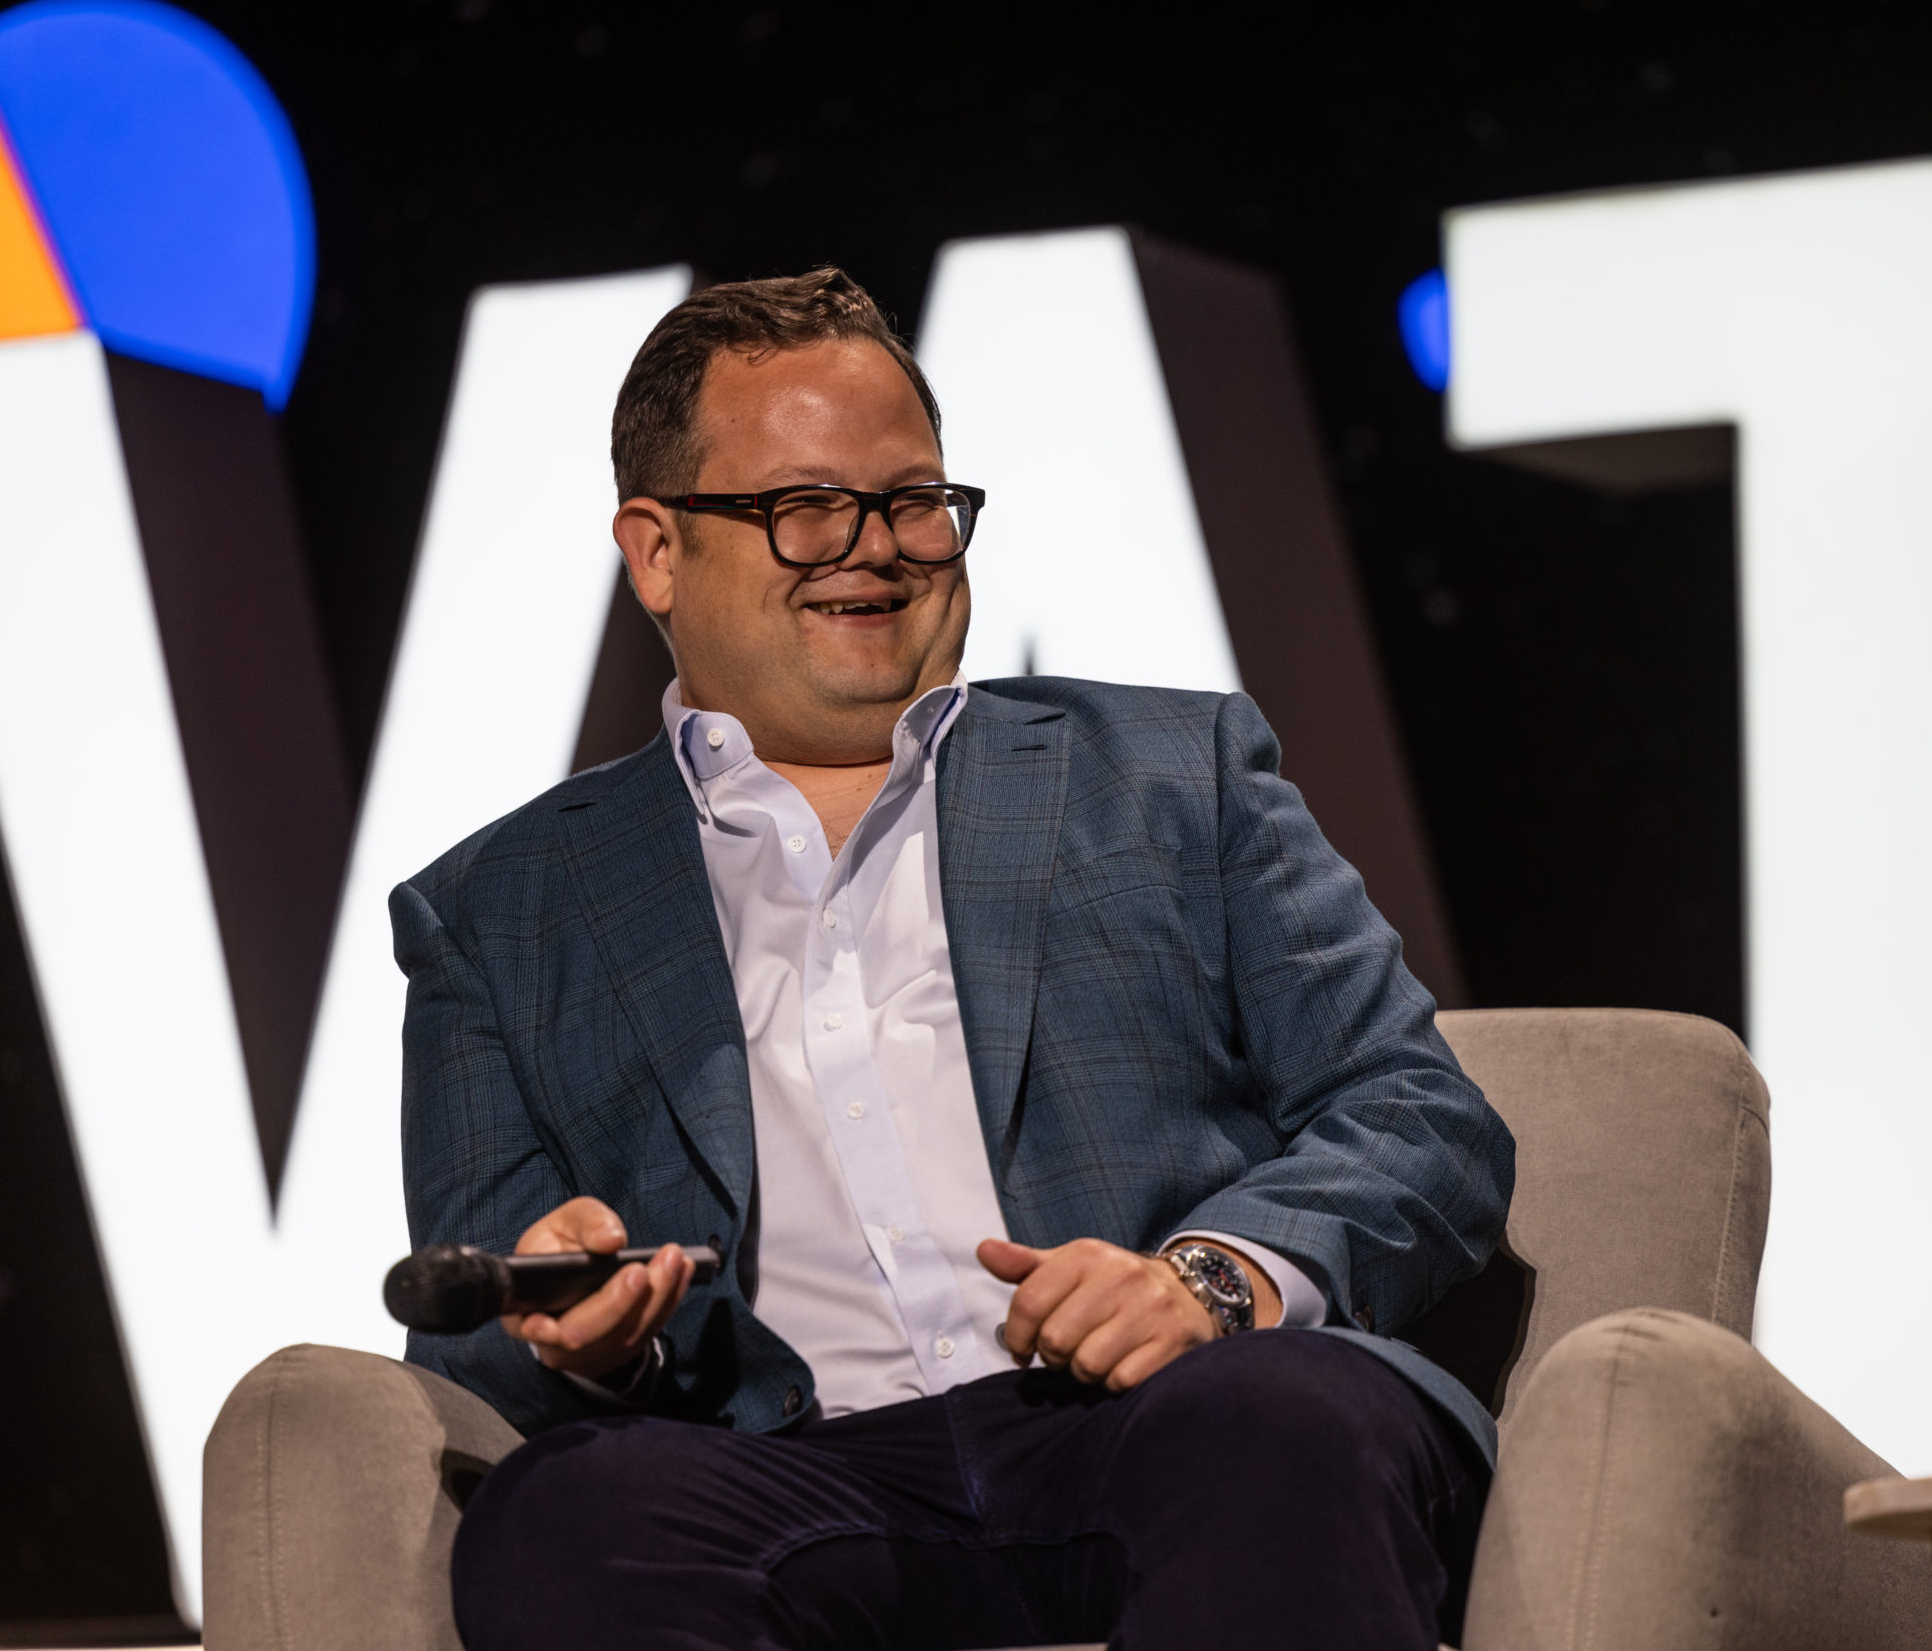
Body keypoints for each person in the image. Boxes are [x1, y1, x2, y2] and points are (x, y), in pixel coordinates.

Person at [398, 267, 1513, 1651]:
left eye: (913, 500)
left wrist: (1207, 1282)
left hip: (1168, 1417)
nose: (875, 547)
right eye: (803, 508)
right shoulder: (496, 911)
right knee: (566, 1519)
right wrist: (580, 1323)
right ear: (657, 550)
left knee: (1279, 1418)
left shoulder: (1178, 777)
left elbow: (1420, 1119)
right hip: (784, 1470)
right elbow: (465, 1320)